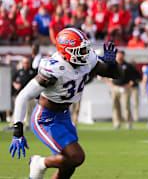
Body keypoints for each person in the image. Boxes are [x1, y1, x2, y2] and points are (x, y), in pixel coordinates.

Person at [8, 28, 124, 179]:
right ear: (66, 51)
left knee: (69, 166)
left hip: (64, 116)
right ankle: (39, 163)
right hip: (46, 119)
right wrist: (18, 131)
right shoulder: (55, 69)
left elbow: (116, 75)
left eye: (84, 49)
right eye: (80, 50)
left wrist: (113, 64)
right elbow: (23, 95)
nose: (85, 53)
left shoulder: (86, 58)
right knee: (76, 157)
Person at [105, 50, 137, 129]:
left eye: (121, 55)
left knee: (126, 106)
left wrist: (129, 85)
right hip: (115, 87)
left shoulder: (128, 66)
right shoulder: (112, 65)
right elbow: (105, 74)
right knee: (115, 106)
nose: (120, 56)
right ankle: (117, 123)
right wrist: (110, 83)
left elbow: (134, 77)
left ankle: (128, 123)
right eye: (118, 55)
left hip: (124, 88)